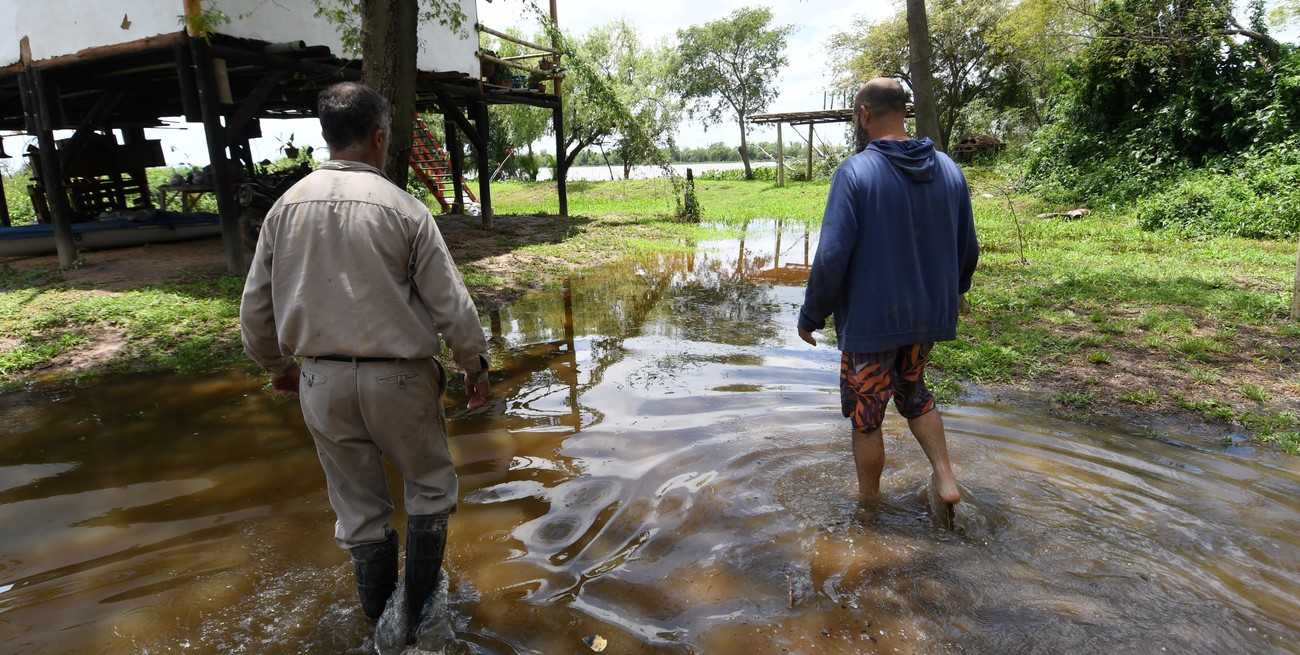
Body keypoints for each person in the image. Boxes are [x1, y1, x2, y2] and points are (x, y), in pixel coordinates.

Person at [239, 82, 491, 640]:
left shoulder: (283, 210)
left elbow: (255, 311)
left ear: (327, 137)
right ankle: (418, 618)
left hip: (321, 380)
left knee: (359, 511)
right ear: (379, 138)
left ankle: (379, 625)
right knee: (429, 487)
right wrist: (475, 367)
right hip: (400, 380)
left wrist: (279, 367)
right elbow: (451, 305)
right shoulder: (405, 209)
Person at [797, 77, 978, 511]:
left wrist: (811, 314)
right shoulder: (949, 169)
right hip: (925, 319)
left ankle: (869, 507)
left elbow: (832, 255)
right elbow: (968, 247)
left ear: (863, 114)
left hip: (872, 322)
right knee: (914, 393)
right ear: (904, 111)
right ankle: (946, 477)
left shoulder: (855, 172)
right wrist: (951, 294)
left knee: (867, 417)